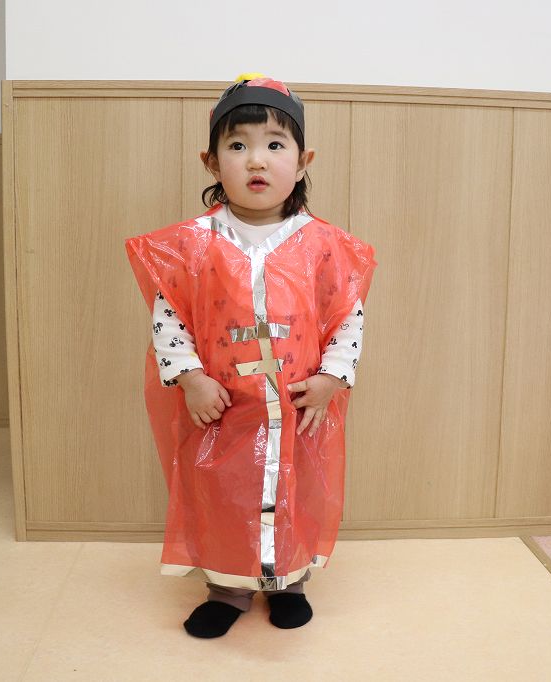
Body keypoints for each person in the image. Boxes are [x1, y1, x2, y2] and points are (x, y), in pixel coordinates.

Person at [125, 74, 376, 639]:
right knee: (223, 494)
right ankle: (228, 588)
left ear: (303, 161)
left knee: (295, 491)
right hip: (223, 409)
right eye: (237, 145)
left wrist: (333, 377)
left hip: (297, 407)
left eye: (275, 144)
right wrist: (190, 378)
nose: (256, 160)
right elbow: (170, 317)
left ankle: (288, 582)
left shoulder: (325, 246)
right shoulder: (192, 244)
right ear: (212, 163)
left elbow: (348, 317)